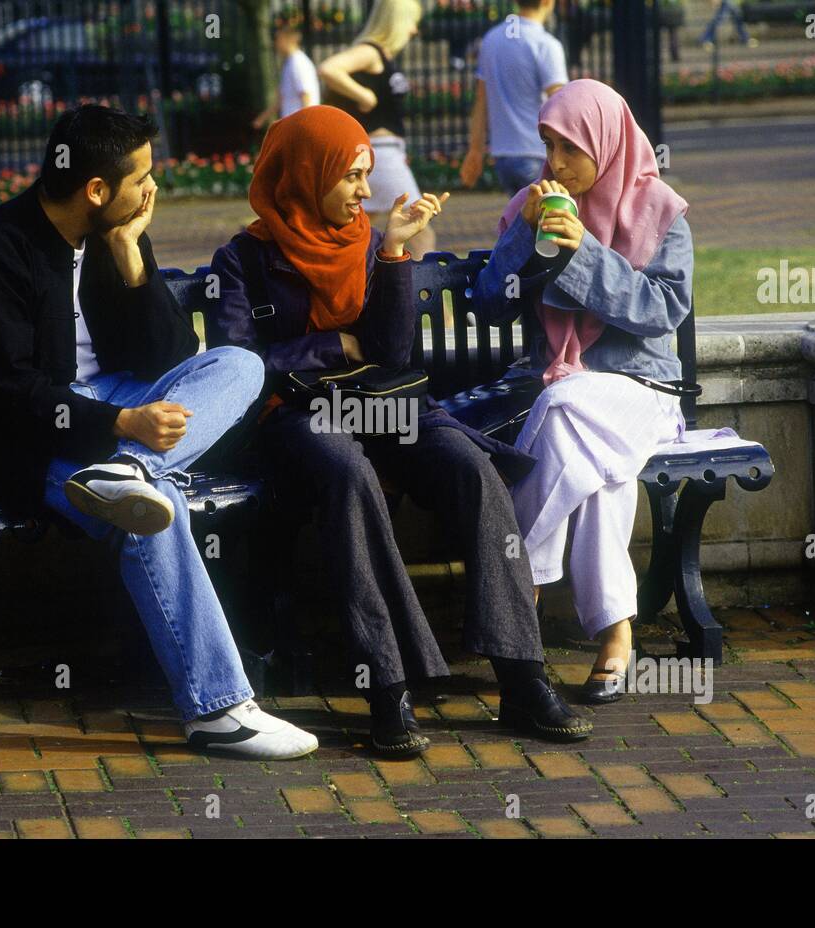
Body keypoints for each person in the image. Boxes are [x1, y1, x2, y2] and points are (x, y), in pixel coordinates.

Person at [0, 105, 318, 759]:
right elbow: (7, 398)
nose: (152, 192)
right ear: (95, 189)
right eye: (141, 177)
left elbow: (168, 362)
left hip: (112, 414)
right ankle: (219, 710)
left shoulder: (112, 231)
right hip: (25, 444)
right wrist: (118, 422)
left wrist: (130, 257)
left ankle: (130, 470)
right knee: (153, 513)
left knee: (238, 365)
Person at [208, 105, 591, 757]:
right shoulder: (242, 259)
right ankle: (386, 688)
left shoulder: (364, 239)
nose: (364, 191)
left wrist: (392, 253)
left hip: (386, 405)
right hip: (296, 418)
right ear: (306, 173)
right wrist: (335, 345)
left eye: (366, 175)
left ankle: (522, 676)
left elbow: (390, 352)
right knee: (349, 476)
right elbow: (239, 364)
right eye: (352, 176)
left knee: (469, 469)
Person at [471, 80, 692, 705]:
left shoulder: (661, 212)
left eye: (571, 148)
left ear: (606, 141)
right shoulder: (531, 205)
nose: (556, 164)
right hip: (566, 403)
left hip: (641, 392)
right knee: (597, 475)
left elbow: (663, 311)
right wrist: (525, 236)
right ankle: (616, 635)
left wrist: (584, 255)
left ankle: (518, 593)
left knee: (566, 405)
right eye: (548, 146)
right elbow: (489, 304)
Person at [316, 0, 435, 259]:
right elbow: (328, 68)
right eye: (412, 22)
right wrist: (364, 95)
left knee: (349, 229)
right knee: (419, 230)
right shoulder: (370, 51)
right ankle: (416, 295)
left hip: (382, 154)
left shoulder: (382, 56)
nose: (414, 30)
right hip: (379, 154)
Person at [460, 0, 568, 195]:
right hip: (538, 152)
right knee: (548, 222)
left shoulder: (491, 39)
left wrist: (475, 150)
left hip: (503, 155)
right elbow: (560, 103)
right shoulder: (546, 44)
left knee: (522, 221)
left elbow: (481, 101)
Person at [251, 22, 320, 130]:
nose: (275, 43)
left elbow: (306, 95)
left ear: (287, 39)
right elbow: (281, 99)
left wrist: (307, 127)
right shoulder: (289, 63)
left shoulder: (298, 63)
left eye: (278, 39)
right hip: (293, 127)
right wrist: (262, 118)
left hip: (299, 127)